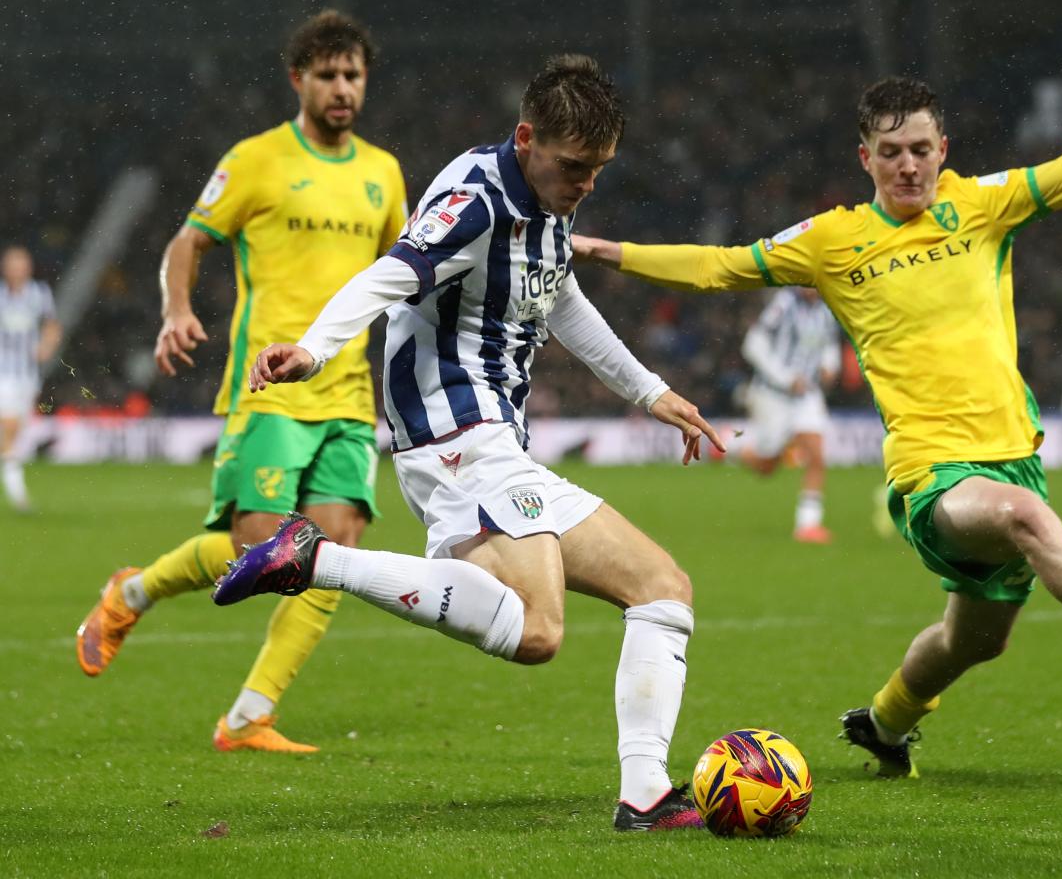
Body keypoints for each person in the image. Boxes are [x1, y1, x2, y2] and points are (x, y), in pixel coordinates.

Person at [571, 66, 1062, 778]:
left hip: (1012, 457)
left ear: (943, 150)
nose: (909, 165)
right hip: (931, 473)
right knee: (1030, 522)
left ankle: (886, 722)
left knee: (974, 641)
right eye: (891, 152)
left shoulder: (983, 204)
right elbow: (718, 266)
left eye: (921, 149)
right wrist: (603, 251)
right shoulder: (833, 240)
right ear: (865, 158)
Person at [213, 55, 721, 831]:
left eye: (598, 171)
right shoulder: (476, 200)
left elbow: (561, 297)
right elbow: (391, 276)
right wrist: (315, 348)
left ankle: (644, 793)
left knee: (663, 587)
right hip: (455, 434)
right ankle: (317, 558)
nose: (587, 184)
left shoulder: (548, 197)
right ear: (527, 139)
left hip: (495, 440)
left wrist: (651, 393)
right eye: (575, 167)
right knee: (541, 629)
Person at [75, 10, 408, 753]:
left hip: (349, 393)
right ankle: (131, 593)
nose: (342, 88)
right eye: (327, 74)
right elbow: (188, 240)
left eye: (353, 74)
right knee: (260, 547)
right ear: (299, 79)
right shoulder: (256, 160)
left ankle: (250, 715)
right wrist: (176, 309)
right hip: (271, 391)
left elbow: (405, 274)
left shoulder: (382, 173)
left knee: (334, 551)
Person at [738, 287, 841, 543]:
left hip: (807, 394)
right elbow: (753, 344)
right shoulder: (784, 303)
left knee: (816, 456)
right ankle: (730, 448)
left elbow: (829, 343)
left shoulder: (827, 306)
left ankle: (808, 525)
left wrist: (829, 366)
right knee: (766, 466)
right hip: (773, 394)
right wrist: (784, 377)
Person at [0, 245, 61, 511]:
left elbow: (51, 325)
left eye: (21, 263)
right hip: (3, 371)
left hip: (28, 374)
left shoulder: (40, 294)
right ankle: (16, 489)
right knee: (9, 426)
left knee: (16, 432)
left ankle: (13, 480)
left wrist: (47, 345)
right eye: (12, 263)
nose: (17, 268)